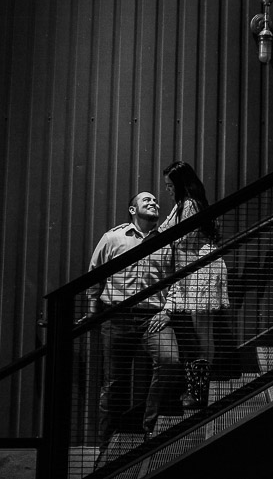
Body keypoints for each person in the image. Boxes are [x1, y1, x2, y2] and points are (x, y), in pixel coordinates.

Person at [86, 191, 181, 460]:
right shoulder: (113, 238)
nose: (153, 202)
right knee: (114, 384)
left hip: (152, 318)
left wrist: (168, 310)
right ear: (132, 209)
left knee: (170, 360)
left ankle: (149, 426)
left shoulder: (166, 241)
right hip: (117, 318)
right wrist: (93, 310)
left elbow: (176, 279)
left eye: (155, 200)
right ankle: (105, 447)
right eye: (145, 200)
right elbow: (95, 273)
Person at [157, 161, 230, 409]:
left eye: (170, 185)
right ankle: (198, 388)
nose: (167, 190)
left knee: (202, 332)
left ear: (180, 184)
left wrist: (168, 240)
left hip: (202, 268)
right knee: (199, 332)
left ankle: (201, 391)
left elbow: (179, 237)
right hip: (193, 270)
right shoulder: (182, 205)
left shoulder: (190, 205)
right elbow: (165, 231)